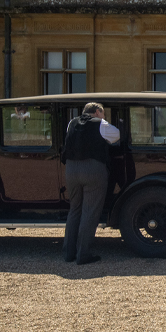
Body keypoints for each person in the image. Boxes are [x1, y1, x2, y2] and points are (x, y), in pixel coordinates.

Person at [60, 102, 120, 264]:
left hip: (71, 169)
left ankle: (68, 253)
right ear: (98, 112)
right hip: (93, 169)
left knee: (74, 210)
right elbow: (116, 135)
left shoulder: (72, 123)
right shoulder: (101, 123)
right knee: (90, 212)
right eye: (103, 114)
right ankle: (83, 254)